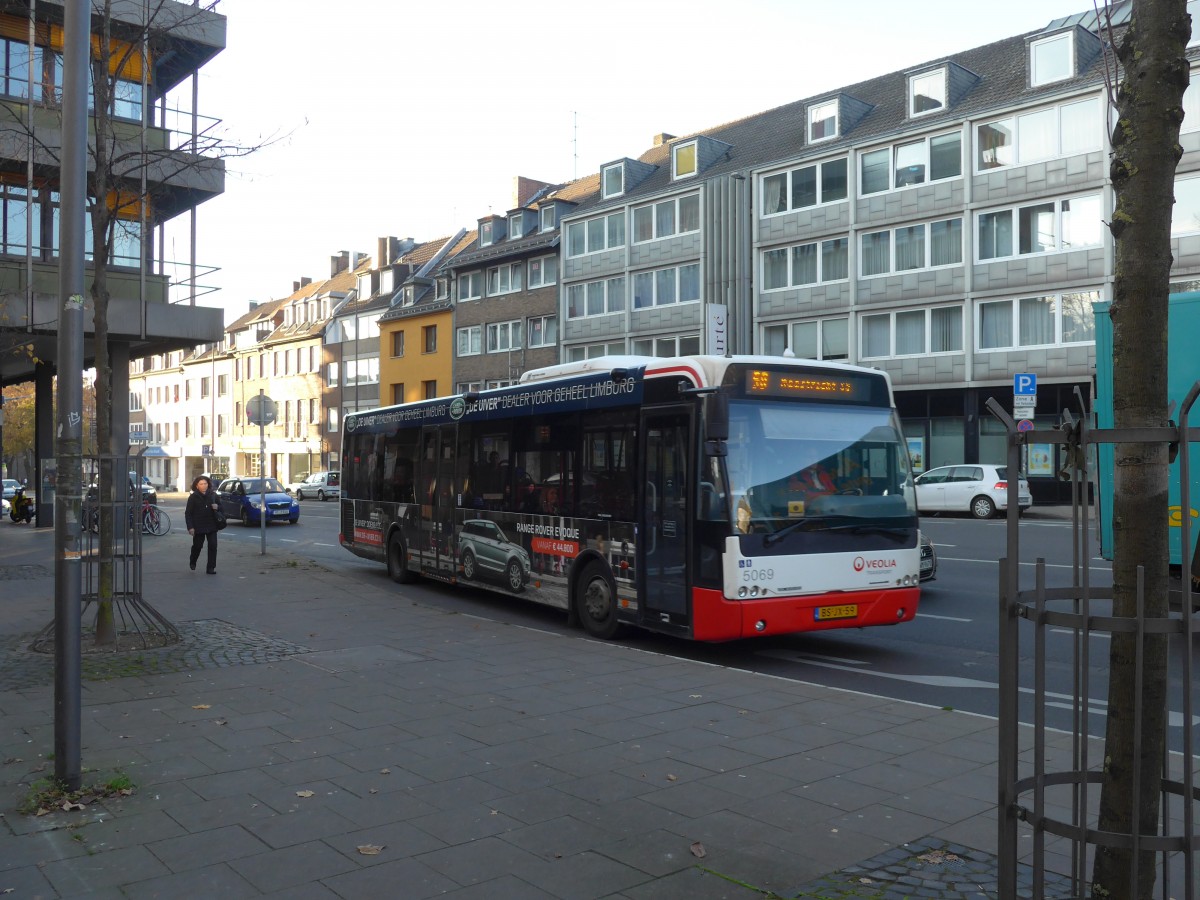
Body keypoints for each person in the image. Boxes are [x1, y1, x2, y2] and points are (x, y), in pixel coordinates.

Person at [185, 475, 220, 574]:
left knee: (213, 546)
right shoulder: (193, 497)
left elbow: (221, 508)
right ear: (197, 486)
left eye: (205, 483)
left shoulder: (213, 495)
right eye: (201, 484)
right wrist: (190, 527)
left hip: (212, 525)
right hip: (198, 526)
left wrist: (217, 506)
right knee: (197, 546)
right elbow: (188, 513)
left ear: (208, 484)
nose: (204, 486)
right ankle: (193, 560)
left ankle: (211, 568)